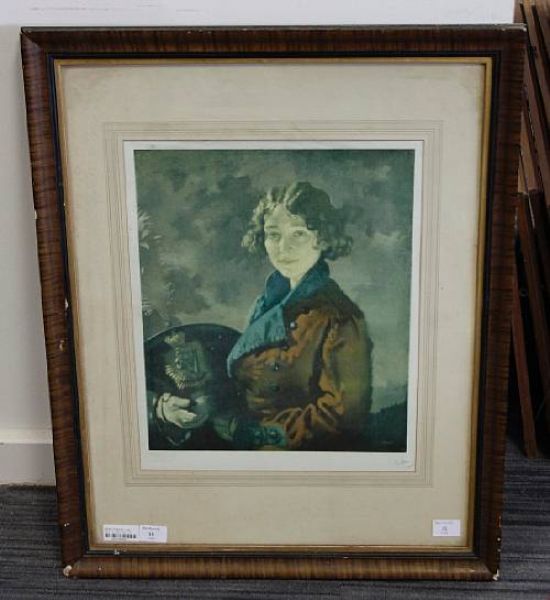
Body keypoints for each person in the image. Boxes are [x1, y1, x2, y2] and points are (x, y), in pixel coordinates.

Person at [224, 181, 372, 451]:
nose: (283, 248)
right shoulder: (265, 304)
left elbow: (342, 418)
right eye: (273, 234)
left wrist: (260, 435)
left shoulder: (339, 318)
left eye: (299, 234)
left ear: (322, 238)